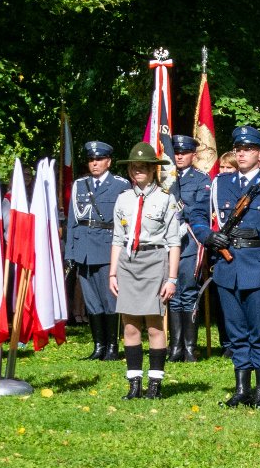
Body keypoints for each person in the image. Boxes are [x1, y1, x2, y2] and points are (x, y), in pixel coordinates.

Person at [196, 126, 260, 409]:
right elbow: (198, 215)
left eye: (248, 149)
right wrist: (208, 236)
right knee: (236, 331)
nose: (240, 152)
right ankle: (242, 388)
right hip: (227, 267)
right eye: (238, 148)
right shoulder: (220, 184)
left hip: (259, 265)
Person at [109, 143, 182, 399]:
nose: (137, 171)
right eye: (134, 166)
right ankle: (134, 383)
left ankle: (155, 384)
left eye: (143, 167)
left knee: (154, 326)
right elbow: (118, 239)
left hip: (154, 260)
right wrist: (112, 273)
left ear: (153, 170)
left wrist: (171, 278)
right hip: (129, 263)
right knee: (130, 327)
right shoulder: (123, 199)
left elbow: (174, 242)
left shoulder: (166, 199)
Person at [67, 141, 128, 361]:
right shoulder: (79, 185)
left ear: (108, 161)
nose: (94, 163)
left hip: (106, 247)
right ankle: (98, 346)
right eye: (91, 160)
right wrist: (70, 253)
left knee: (109, 299)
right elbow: (74, 220)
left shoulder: (120, 185)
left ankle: (112, 346)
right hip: (83, 249)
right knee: (91, 300)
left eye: (99, 159)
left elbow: (125, 221)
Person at [167, 135, 207, 362]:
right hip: (166, 242)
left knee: (189, 292)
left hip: (190, 241)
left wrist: (183, 217)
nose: (179, 156)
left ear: (193, 155)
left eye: (184, 153)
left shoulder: (200, 179)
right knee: (173, 294)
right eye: (176, 153)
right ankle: (175, 346)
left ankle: (190, 347)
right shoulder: (163, 178)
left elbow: (201, 206)